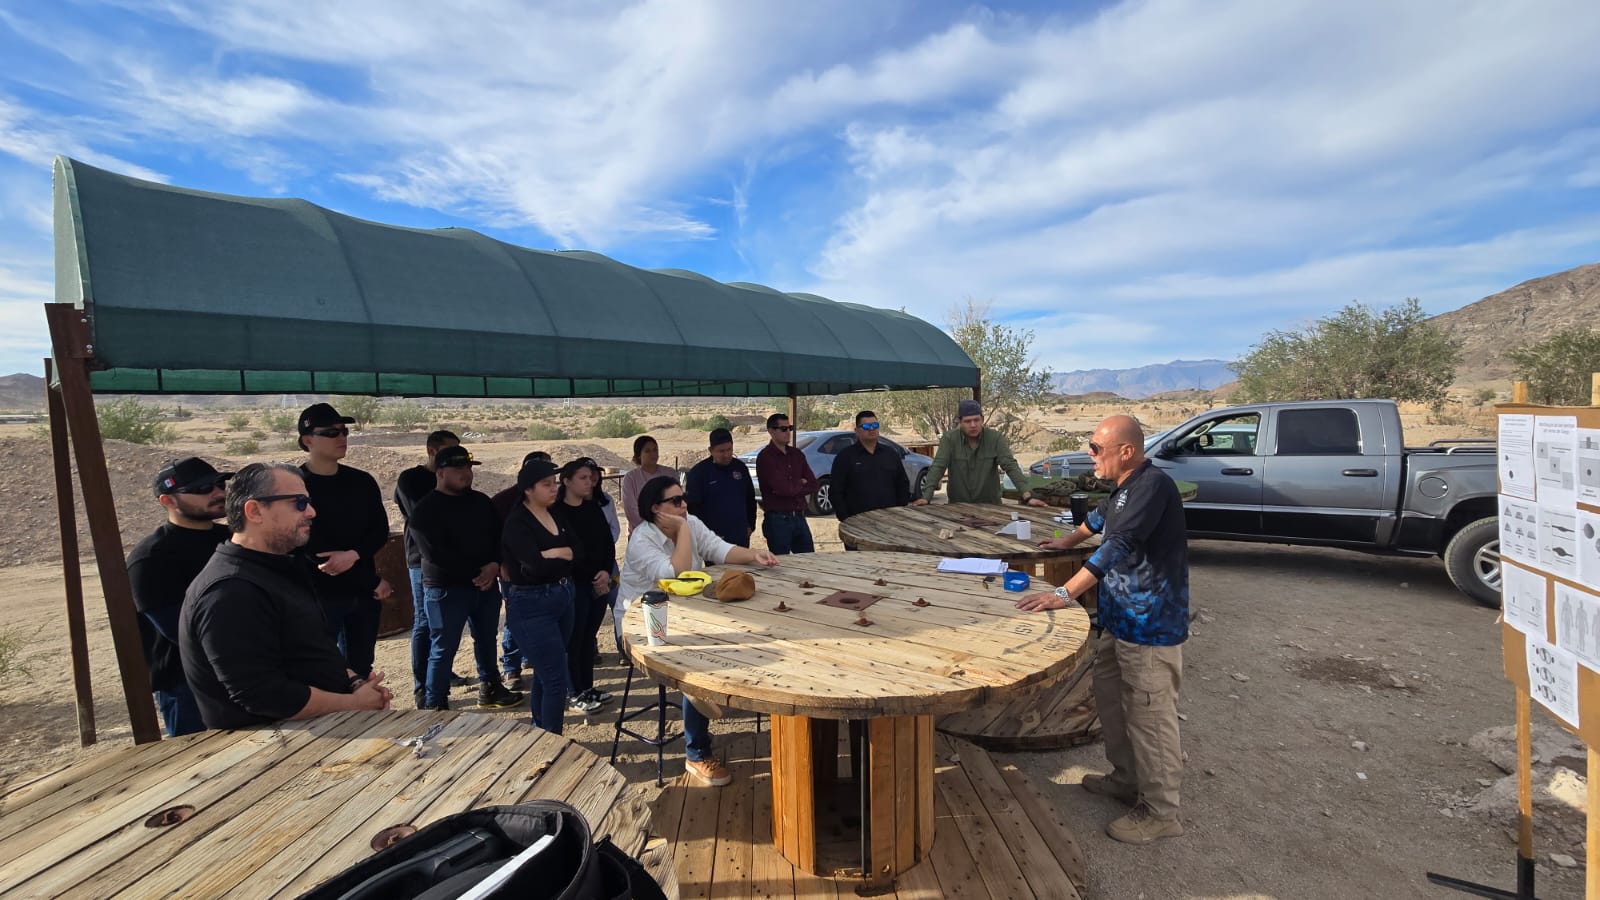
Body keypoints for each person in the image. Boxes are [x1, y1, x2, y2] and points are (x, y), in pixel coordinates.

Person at [1015, 415, 1189, 845]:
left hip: (1149, 627)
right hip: (1119, 620)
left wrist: (1063, 592)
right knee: (1112, 702)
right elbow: (1098, 521)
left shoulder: (1152, 487)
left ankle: (1161, 810)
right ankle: (1127, 779)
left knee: (1150, 716)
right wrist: (1065, 543)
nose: (1090, 456)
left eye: (1096, 448)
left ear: (1125, 451)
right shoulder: (1125, 488)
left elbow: (1118, 545)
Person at [179, 463, 393, 729]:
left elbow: (317, 648)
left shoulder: (281, 567)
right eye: (299, 503)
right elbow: (263, 694)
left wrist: (356, 684)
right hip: (273, 749)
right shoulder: (230, 590)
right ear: (255, 511)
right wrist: (354, 703)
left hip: (317, 730)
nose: (312, 512)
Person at [619, 475, 778, 785]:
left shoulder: (689, 521)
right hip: (643, 622)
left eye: (684, 499)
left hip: (687, 613)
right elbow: (675, 573)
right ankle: (696, 754)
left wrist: (753, 556)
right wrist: (681, 531)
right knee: (692, 670)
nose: (684, 505)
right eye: (675, 501)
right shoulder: (643, 538)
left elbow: (718, 549)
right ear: (656, 508)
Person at [409, 445, 523, 711]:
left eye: (469, 467)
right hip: (447, 590)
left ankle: (491, 686)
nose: (466, 473)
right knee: (443, 648)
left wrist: (494, 564)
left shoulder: (482, 501)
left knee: (485, 639)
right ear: (440, 472)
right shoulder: (425, 510)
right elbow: (434, 553)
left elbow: (498, 537)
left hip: (485, 587)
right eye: (458, 468)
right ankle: (435, 703)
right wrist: (479, 574)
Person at [127, 458, 232, 737]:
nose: (218, 493)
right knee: (196, 765)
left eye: (220, 484)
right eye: (201, 489)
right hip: (185, 681)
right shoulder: (150, 558)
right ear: (167, 500)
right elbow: (179, 630)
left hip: (245, 670)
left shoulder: (235, 540)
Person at [296, 402, 391, 678]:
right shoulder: (296, 485)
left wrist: (354, 555)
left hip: (362, 593)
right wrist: (371, 580)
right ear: (307, 440)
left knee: (361, 667)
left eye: (344, 431)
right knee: (321, 670)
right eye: (331, 432)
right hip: (319, 595)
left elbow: (379, 530)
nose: (342, 437)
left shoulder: (361, 481)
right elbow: (313, 547)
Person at [500, 457, 581, 734]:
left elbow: (577, 552)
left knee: (546, 676)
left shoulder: (555, 513)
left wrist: (551, 553)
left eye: (555, 483)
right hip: (531, 604)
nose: (554, 488)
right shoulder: (517, 522)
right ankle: (554, 742)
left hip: (563, 596)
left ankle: (540, 732)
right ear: (528, 489)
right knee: (556, 680)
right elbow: (532, 568)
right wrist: (560, 552)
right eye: (546, 484)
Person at [394, 429, 463, 706]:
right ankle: (423, 686)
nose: (455, 458)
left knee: (447, 622)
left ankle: (441, 673)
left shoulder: (456, 478)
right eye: (449, 452)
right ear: (432, 452)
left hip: (455, 559)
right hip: (422, 560)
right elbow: (425, 517)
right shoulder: (411, 480)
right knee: (425, 621)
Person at [557, 457, 616, 713]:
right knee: (574, 639)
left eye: (591, 477)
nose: (590, 481)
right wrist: (591, 576)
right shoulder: (557, 512)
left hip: (599, 583)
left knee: (588, 638)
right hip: (575, 585)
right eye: (582, 477)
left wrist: (604, 572)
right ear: (566, 481)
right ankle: (574, 692)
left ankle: (587, 688)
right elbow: (567, 553)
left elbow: (607, 543)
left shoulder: (592, 508)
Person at [915, 398, 1047, 508]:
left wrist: (1027, 496)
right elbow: (938, 466)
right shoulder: (950, 439)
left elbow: (1010, 466)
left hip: (991, 506)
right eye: (967, 421)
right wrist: (926, 497)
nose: (973, 425)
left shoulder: (995, 438)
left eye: (976, 420)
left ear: (982, 419)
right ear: (960, 422)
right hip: (958, 506)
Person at [492, 450, 550, 687]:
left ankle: (530, 657)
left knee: (542, 616)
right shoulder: (503, 501)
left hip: (545, 570)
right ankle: (511, 667)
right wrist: (502, 564)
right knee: (515, 618)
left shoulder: (552, 500)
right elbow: (494, 537)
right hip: (514, 572)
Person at [830, 410, 910, 524]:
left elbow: (902, 483)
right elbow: (835, 491)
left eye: (875, 425)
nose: (872, 429)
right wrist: (846, 518)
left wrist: (900, 511)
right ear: (857, 431)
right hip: (857, 523)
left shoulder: (890, 454)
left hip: (890, 521)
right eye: (866, 426)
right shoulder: (845, 457)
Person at [755, 413, 817, 554]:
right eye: (783, 429)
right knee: (782, 565)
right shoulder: (766, 457)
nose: (788, 432)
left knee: (809, 562)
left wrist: (792, 485)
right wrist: (801, 482)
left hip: (800, 517)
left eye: (790, 428)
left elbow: (813, 484)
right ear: (771, 431)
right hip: (778, 520)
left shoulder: (797, 454)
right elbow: (783, 489)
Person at [684, 427, 756, 548]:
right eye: (721, 451)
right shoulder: (699, 473)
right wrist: (704, 534)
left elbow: (750, 498)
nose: (726, 455)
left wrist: (750, 526)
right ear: (711, 450)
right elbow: (693, 508)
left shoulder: (740, 467)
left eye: (729, 449)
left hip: (740, 535)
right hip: (713, 538)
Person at [621, 435, 678, 531]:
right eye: (648, 451)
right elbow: (631, 511)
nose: (653, 454)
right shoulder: (630, 478)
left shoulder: (670, 473)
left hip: (669, 531)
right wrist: (652, 529)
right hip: (642, 534)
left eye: (655, 450)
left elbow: (677, 502)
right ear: (638, 454)